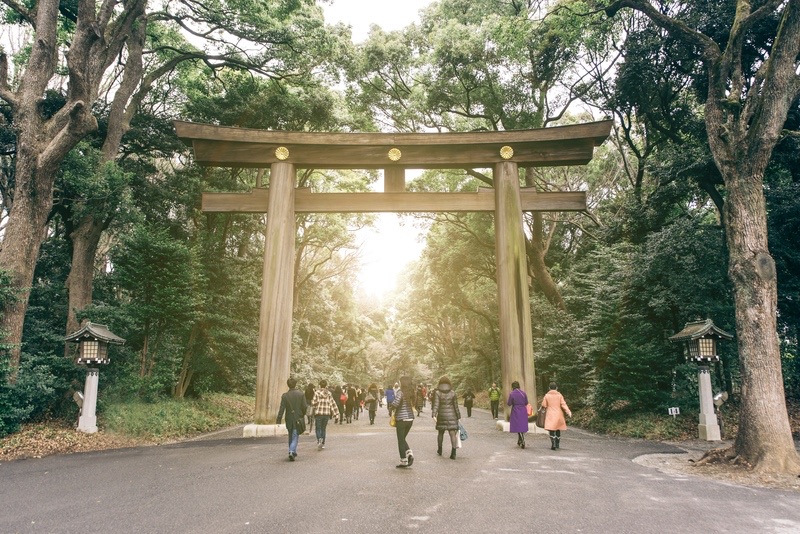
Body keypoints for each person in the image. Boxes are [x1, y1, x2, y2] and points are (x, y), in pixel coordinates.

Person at [276, 377, 307, 461]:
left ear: (288, 385)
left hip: (289, 418)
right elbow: (304, 406)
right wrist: (303, 414)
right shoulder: (301, 394)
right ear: (295, 384)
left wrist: (278, 419)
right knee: (295, 435)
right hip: (298, 417)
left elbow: (282, 408)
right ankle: (291, 451)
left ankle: (293, 451)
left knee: (291, 434)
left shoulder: (285, 396)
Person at [431, 376, 461, 460]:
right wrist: (458, 416)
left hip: (442, 415)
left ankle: (440, 450)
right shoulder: (453, 393)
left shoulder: (437, 393)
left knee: (440, 433)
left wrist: (434, 414)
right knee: (452, 433)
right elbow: (456, 406)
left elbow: (436, 405)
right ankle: (454, 453)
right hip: (452, 415)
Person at [391, 376, 416, 468]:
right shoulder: (411, 393)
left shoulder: (400, 392)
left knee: (400, 440)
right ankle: (409, 454)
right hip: (410, 419)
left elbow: (396, 403)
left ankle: (403, 460)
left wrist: (391, 407)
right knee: (403, 438)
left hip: (402, 419)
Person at [541, 382, 572, 451]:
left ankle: (553, 443)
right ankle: (557, 443)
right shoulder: (559, 395)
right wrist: (568, 411)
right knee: (558, 428)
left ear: (549, 388)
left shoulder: (547, 396)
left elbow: (544, 405)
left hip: (550, 414)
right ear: (556, 388)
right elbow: (563, 404)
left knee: (551, 429)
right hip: (558, 414)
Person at [312, 379, 340, 450]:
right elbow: (332, 404)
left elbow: (313, 403)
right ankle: (323, 443)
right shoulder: (329, 393)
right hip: (326, 414)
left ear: (319, 385)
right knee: (323, 428)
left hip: (318, 413)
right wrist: (336, 413)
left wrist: (314, 408)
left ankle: (319, 440)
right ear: (326, 386)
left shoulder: (317, 393)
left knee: (318, 428)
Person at [507, 381, 529, 449]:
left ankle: (522, 440)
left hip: (516, 410)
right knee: (521, 425)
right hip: (523, 410)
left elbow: (509, 403)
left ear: (512, 387)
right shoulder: (523, 393)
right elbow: (526, 402)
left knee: (517, 425)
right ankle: (519, 440)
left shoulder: (512, 394)